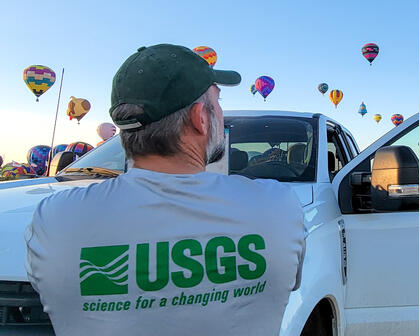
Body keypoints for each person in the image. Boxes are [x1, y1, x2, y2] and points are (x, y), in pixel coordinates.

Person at [25, 44, 305, 335]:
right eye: (217, 102)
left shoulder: (55, 219)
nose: (221, 113)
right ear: (201, 118)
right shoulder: (278, 207)